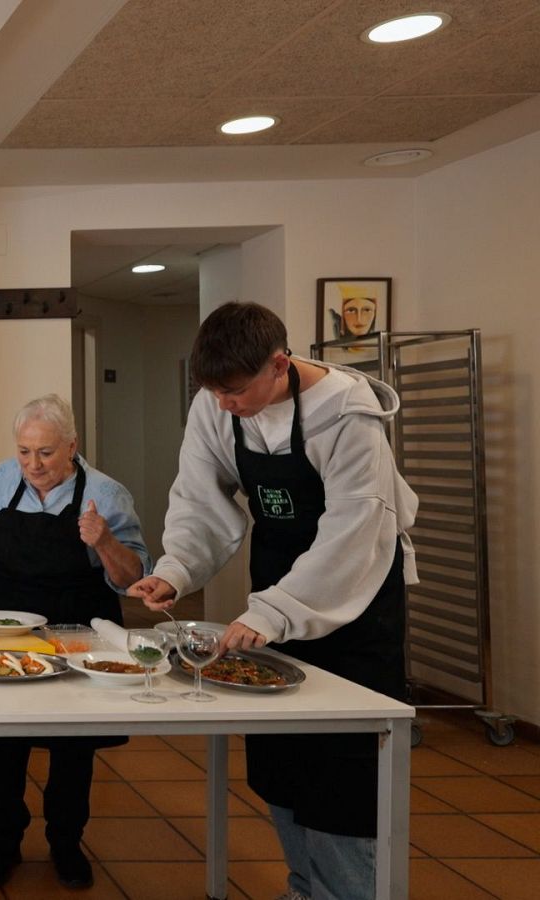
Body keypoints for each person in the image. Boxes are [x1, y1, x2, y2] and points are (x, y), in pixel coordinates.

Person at [129, 302, 417, 900]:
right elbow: (198, 497)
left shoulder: (348, 417)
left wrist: (272, 611)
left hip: (354, 604)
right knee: (284, 765)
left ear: (280, 365)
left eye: (234, 391)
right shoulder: (217, 405)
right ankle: (304, 889)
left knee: (341, 778)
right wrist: (176, 569)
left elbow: (354, 536)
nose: (223, 404)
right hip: (276, 601)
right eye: (212, 392)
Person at [0, 394, 148, 889]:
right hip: (8, 631)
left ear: (72, 447)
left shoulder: (107, 493)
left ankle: (66, 843)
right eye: (24, 452)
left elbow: (133, 579)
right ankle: (2, 842)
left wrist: (103, 540)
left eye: (44, 453)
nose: (32, 465)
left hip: (76, 635)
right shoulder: (3, 478)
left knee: (72, 746)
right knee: (0, 743)